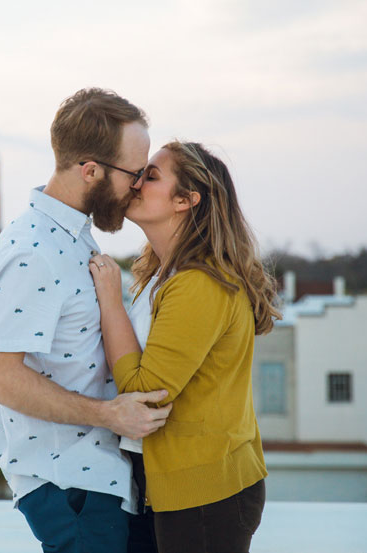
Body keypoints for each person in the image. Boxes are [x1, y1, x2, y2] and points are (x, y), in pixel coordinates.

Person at [0, 88, 171, 553]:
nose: (139, 186)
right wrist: (109, 415)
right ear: (90, 171)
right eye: (135, 173)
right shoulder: (32, 251)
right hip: (68, 484)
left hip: (96, 479)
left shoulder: (72, 237)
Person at [89, 141, 281, 553]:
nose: (136, 183)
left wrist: (110, 301)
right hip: (176, 487)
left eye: (151, 176)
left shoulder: (199, 283)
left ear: (185, 200)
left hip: (206, 494)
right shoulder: (164, 276)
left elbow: (145, 393)